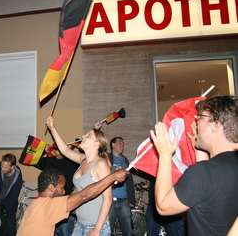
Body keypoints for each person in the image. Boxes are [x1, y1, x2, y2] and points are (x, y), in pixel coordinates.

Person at [150, 95, 238, 235]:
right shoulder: (214, 170)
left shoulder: (203, 172)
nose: (196, 122)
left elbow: (163, 206)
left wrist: (165, 155)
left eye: (201, 117)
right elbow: (210, 190)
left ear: (216, 125)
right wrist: (198, 148)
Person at [46, 116, 112, 236]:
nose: (83, 136)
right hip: (80, 224)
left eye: (88, 136)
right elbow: (65, 151)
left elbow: (108, 198)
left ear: (97, 144)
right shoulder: (83, 160)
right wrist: (52, 128)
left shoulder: (101, 164)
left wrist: (97, 229)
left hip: (96, 226)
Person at [16, 167, 129, 236]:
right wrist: (113, 176)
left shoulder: (36, 204)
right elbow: (84, 196)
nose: (63, 191)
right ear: (51, 187)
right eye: (61, 187)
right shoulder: (47, 205)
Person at [33, 145, 78, 236]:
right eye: (57, 150)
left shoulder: (73, 162)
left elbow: (85, 160)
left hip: (64, 200)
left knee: (64, 232)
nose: (59, 153)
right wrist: (43, 151)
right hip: (50, 200)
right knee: (47, 231)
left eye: (61, 150)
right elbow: (34, 161)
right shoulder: (49, 161)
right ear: (54, 151)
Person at [106, 137, 135, 236]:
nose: (122, 145)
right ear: (113, 145)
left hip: (124, 201)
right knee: (108, 230)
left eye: (123, 143)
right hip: (109, 201)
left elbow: (129, 181)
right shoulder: (107, 158)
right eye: (120, 142)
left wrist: (131, 200)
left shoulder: (125, 160)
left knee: (128, 230)